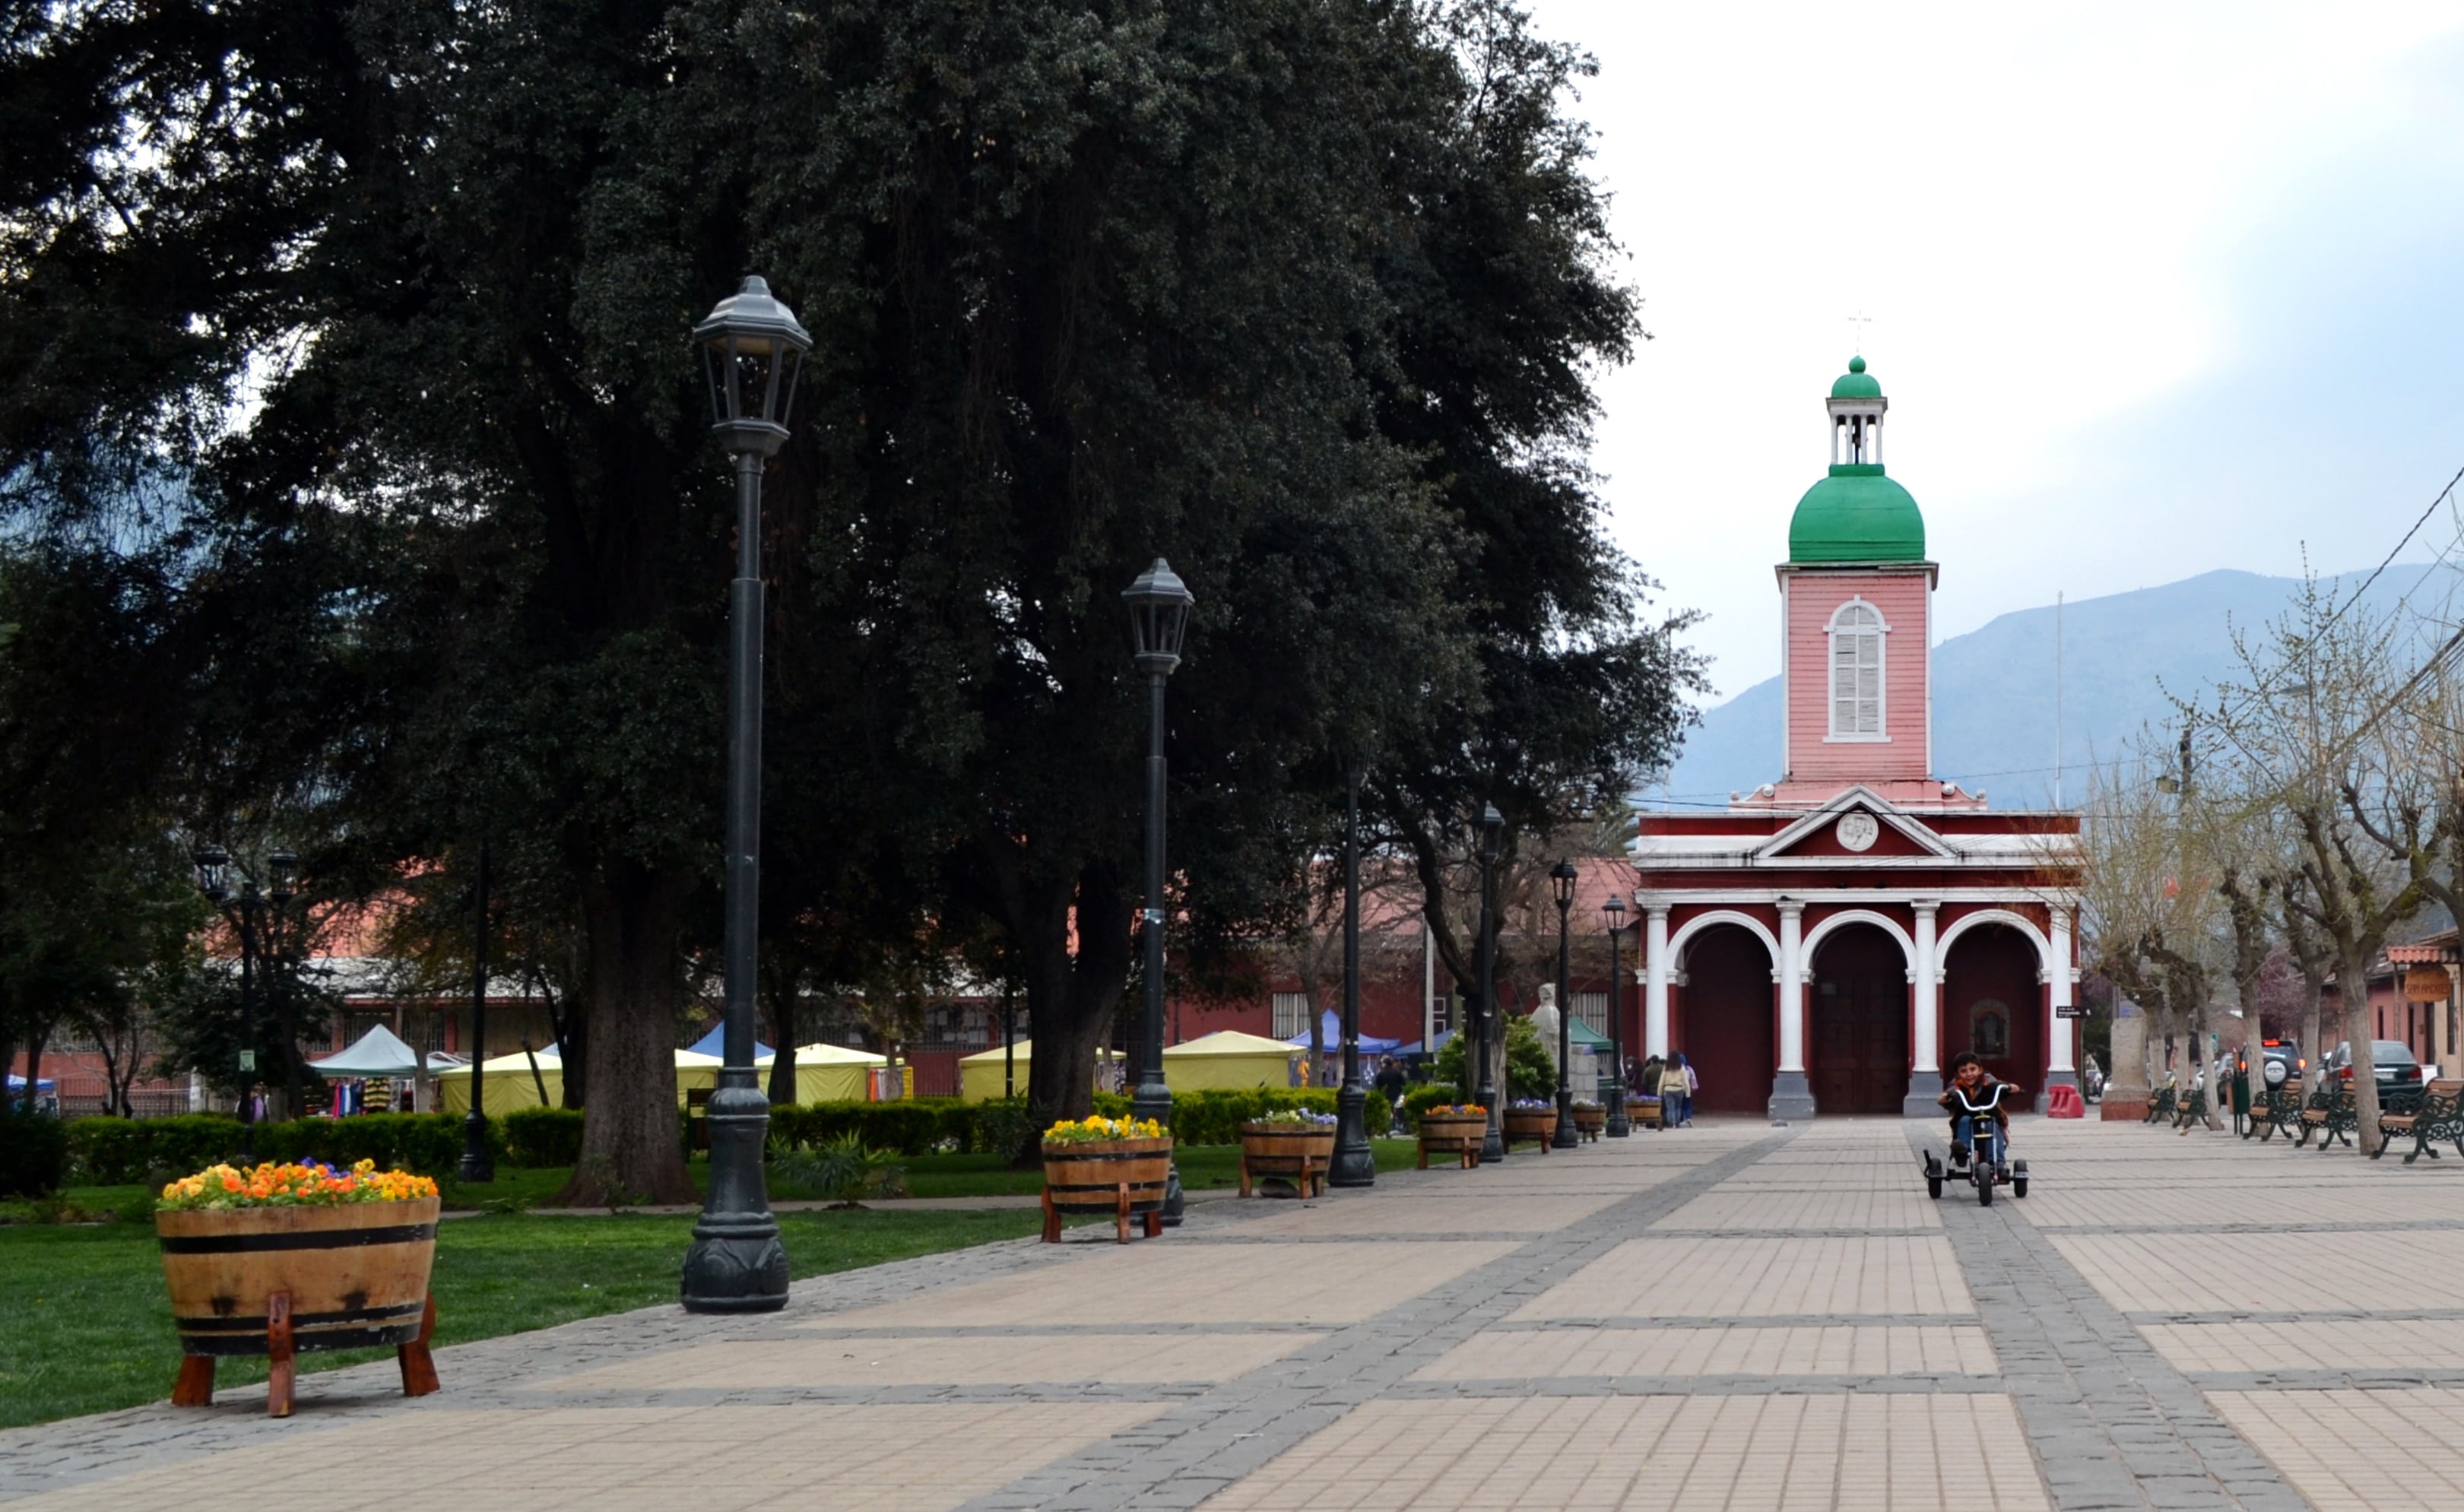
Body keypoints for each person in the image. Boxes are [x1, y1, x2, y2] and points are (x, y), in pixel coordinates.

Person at [1936, 1051, 2010, 1170]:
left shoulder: (1989, 1080)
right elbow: (1948, 1095)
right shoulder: (1957, 1086)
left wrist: (2010, 1088)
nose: (1969, 1074)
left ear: (1980, 1070)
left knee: (1993, 1124)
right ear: (1958, 1074)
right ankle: (1963, 1151)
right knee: (1965, 1120)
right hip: (1969, 1121)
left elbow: (2001, 1087)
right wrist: (1945, 1098)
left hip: (1989, 1117)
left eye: (1972, 1069)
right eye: (1964, 1071)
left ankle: (1998, 1161)